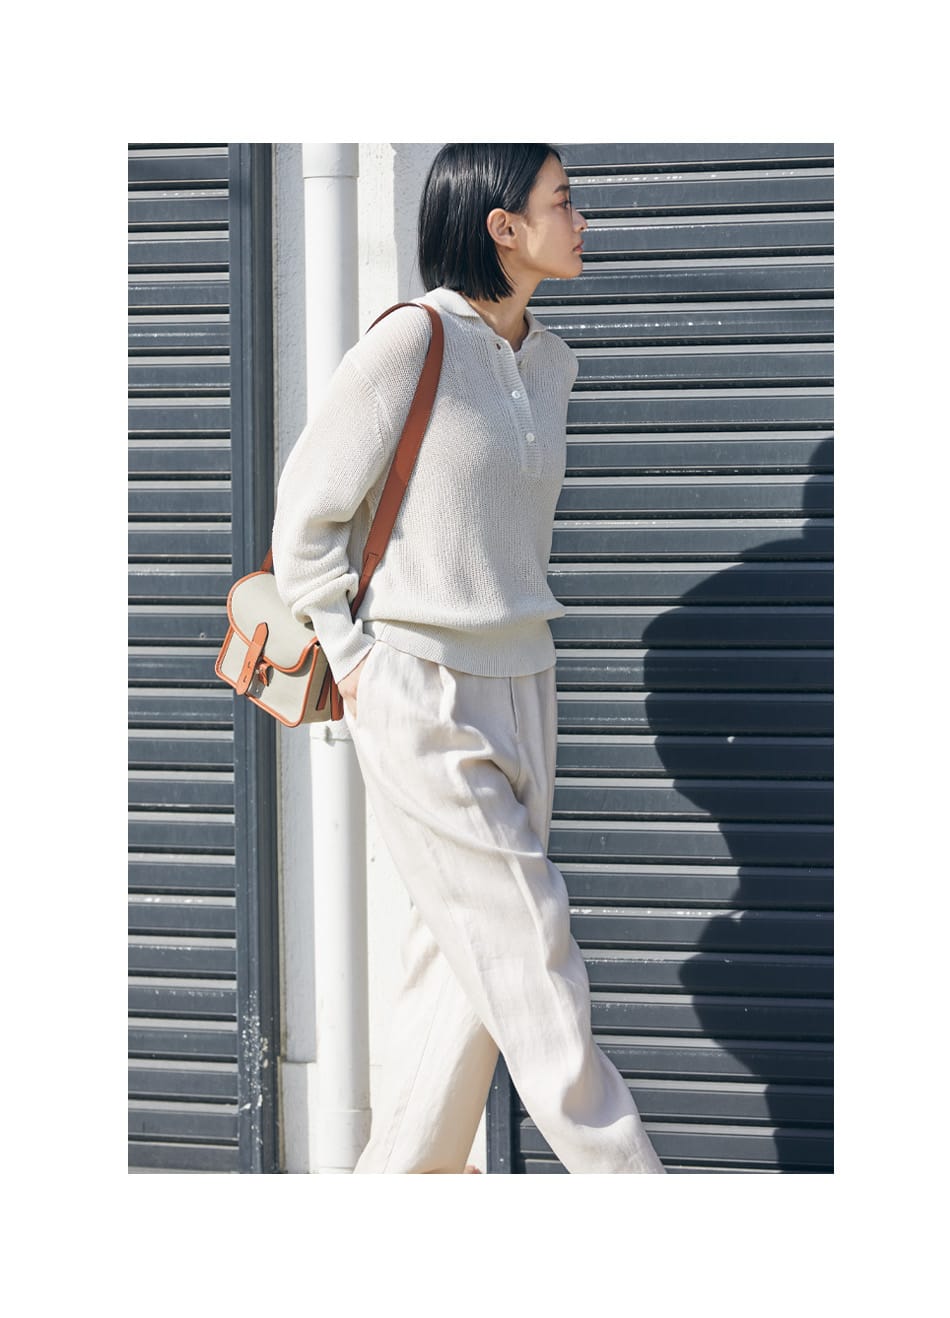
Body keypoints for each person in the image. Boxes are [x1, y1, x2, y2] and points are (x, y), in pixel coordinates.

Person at [270, 143, 666, 1174]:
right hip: (419, 688)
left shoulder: (553, 361)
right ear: (503, 226)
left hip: (526, 682)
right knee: (533, 953)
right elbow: (305, 520)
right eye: (562, 200)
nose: (581, 218)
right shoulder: (413, 341)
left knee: (455, 990)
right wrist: (357, 663)